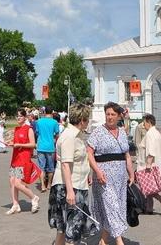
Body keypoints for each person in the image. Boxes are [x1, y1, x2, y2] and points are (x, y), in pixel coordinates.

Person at [86, 102, 135, 245]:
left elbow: (126, 155)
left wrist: (131, 173)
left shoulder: (122, 133)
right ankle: (120, 242)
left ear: (119, 116)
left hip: (120, 177)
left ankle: (103, 241)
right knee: (111, 207)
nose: (109, 117)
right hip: (103, 177)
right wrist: (97, 171)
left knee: (116, 207)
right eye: (107, 114)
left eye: (113, 114)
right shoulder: (98, 132)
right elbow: (89, 153)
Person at [48, 103, 95, 245]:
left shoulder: (76, 135)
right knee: (73, 229)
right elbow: (65, 165)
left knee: (63, 227)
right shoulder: (70, 137)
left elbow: (77, 161)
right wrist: (70, 192)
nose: (88, 122)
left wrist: (87, 174)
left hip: (74, 184)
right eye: (88, 119)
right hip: (70, 186)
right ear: (82, 120)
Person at [5, 108, 41, 214]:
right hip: (15, 158)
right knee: (12, 181)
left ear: (25, 117)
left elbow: (33, 144)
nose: (18, 118)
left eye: (20, 116)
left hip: (23, 158)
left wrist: (19, 145)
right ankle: (15, 204)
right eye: (17, 116)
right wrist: (11, 143)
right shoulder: (17, 129)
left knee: (17, 183)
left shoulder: (28, 129)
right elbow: (15, 142)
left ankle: (34, 197)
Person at [136, 113, 161, 215]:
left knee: (147, 187)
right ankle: (149, 208)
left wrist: (148, 165)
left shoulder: (150, 134)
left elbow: (151, 151)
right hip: (155, 164)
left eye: (144, 123)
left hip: (148, 165)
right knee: (150, 186)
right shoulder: (157, 133)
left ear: (149, 122)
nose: (144, 125)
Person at [36, 108, 60, 192]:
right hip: (50, 147)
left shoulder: (39, 121)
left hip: (41, 146)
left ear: (45, 112)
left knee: (41, 167)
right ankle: (49, 184)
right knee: (51, 167)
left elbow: (37, 133)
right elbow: (57, 135)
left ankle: (42, 185)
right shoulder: (55, 122)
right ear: (52, 113)